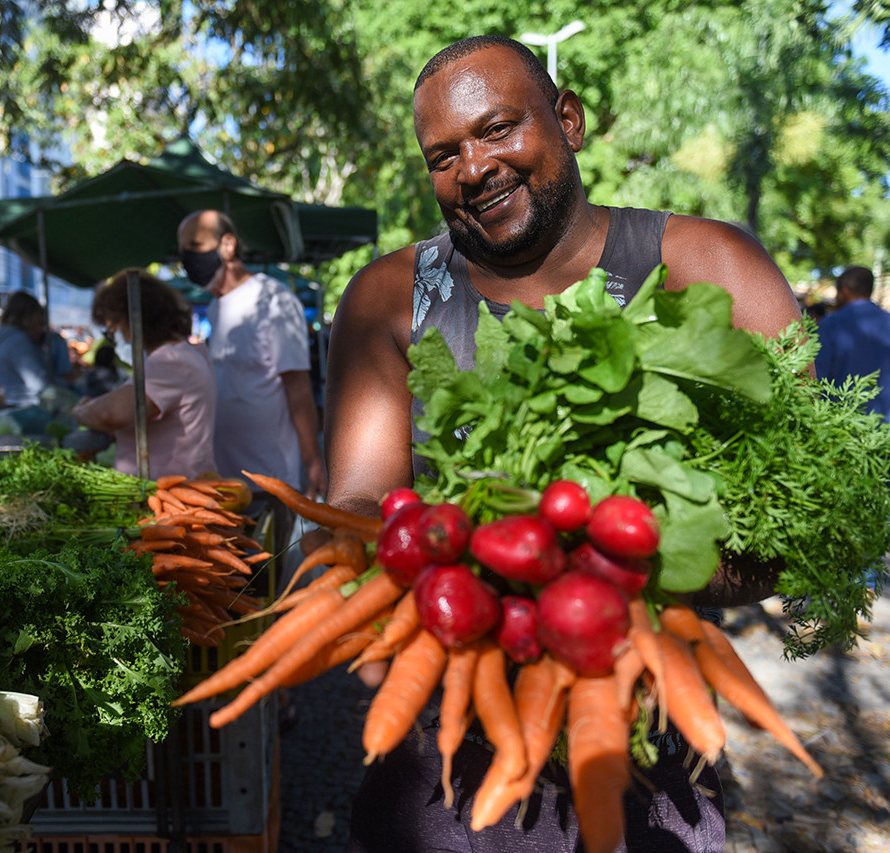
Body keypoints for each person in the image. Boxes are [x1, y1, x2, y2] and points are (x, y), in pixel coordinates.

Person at [321, 35, 806, 853]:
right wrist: (388, 577)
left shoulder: (704, 263)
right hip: (448, 740)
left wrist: (617, 568)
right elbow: (358, 502)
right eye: (444, 155)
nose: (473, 168)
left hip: (645, 739)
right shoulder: (389, 297)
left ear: (569, 120)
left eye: (499, 129)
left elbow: (803, 510)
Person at [177, 209, 328, 559]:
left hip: (270, 477)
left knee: (268, 579)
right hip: (225, 479)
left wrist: (312, 461)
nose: (187, 257)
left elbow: (297, 386)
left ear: (228, 245)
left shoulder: (273, 300)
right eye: (182, 248)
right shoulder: (216, 307)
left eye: (195, 245)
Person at [71, 268, 217, 480]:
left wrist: (81, 411)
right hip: (169, 490)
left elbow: (109, 414)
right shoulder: (184, 355)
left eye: (113, 327)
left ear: (136, 320)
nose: (113, 335)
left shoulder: (170, 362)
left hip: (167, 495)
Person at [814, 266, 890, 433]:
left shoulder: (830, 325)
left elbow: (819, 377)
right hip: (886, 430)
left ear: (844, 290)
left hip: (839, 429)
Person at [0, 291, 56, 408]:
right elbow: (39, 383)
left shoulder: (1, 338)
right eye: (38, 323)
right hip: (30, 407)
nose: (40, 330)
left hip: (12, 405)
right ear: (27, 318)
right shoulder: (18, 341)